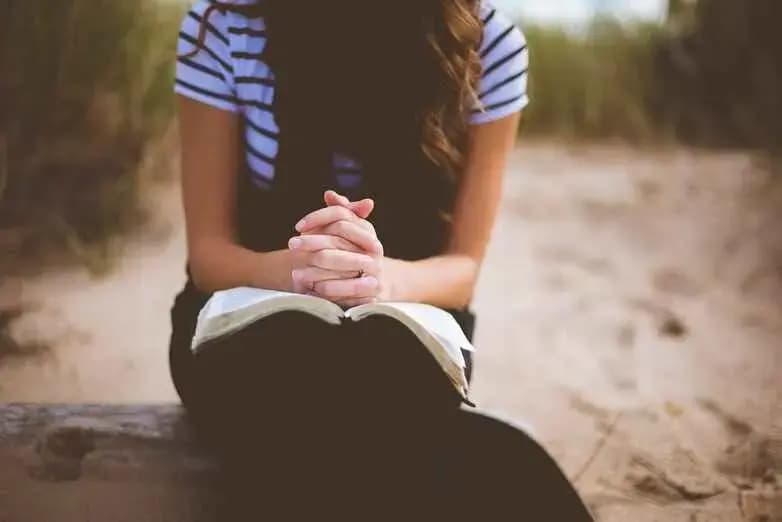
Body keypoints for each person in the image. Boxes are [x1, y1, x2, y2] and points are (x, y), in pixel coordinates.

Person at [169, 0, 592, 519]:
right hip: (242, 321)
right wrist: (305, 269)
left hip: (406, 327)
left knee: (380, 386)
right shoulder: (228, 24)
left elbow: (462, 272)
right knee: (296, 388)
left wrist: (377, 279)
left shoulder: (488, 46)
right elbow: (209, 257)